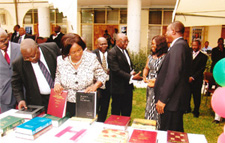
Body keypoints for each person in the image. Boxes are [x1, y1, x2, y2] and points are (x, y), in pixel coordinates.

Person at [53, 33, 108, 117]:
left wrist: (95, 86)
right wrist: (57, 84)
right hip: (67, 102)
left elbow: (103, 76)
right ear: (67, 52)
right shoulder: (61, 60)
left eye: (79, 50)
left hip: (87, 101)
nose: (78, 54)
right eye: (73, 52)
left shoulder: (91, 58)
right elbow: (58, 75)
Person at [154, 21, 192, 132]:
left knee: (170, 132)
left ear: (174, 31)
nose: (165, 34)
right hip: (174, 100)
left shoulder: (179, 46)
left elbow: (173, 75)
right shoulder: (180, 45)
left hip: (172, 101)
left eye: (167, 31)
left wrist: (163, 99)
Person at [11, 39, 60, 111]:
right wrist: (20, 99)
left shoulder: (52, 48)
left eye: (33, 56)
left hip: (59, 97)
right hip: (37, 101)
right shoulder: (18, 63)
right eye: (26, 58)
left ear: (37, 48)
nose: (30, 59)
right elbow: (16, 84)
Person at [107, 33, 142, 117]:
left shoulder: (125, 51)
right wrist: (132, 77)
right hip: (118, 88)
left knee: (127, 111)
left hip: (127, 87)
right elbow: (116, 70)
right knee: (116, 111)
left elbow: (127, 66)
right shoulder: (112, 52)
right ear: (117, 41)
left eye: (127, 41)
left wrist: (131, 72)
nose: (126, 43)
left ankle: (126, 126)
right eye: (124, 41)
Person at [143, 35, 168, 129]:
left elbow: (166, 74)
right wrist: (145, 76)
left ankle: (157, 126)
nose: (152, 46)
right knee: (149, 105)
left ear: (160, 45)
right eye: (151, 44)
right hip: (150, 85)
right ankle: (148, 124)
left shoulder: (165, 57)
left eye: (154, 44)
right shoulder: (150, 56)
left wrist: (156, 81)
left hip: (159, 85)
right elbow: (146, 68)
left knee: (156, 106)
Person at [0, 28, 21, 113]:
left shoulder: (20, 48)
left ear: (8, 37)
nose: (2, 44)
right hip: (4, 94)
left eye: (3, 40)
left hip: (22, 92)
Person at [187, 40, 208, 117]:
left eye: (195, 45)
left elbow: (201, 69)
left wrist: (193, 77)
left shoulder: (204, 57)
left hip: (197, 79)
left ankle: (196, 111)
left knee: (196, 95)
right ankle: (187, 108)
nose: (194, 47)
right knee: (187, 94)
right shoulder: (188, 54)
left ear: (199, 46)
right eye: (192, 45)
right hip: (187, 78)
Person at [92, 37, 111, 122]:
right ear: (97, 44)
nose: (104, 46)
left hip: (108, 83)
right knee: (96, 105)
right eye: (102, 44)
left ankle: (102, 121)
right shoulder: (92, 55)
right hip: (96, 84)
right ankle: (95, 121)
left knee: (105, 105)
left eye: (105, 43)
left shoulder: (111, 53)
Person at [211, 38, 225, 123]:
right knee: (220, 94)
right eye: (219, 42)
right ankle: (217, 117)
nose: (221, 43)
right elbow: (214, 59)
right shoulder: (214, 50)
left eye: (222, 42)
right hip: (220, 74)